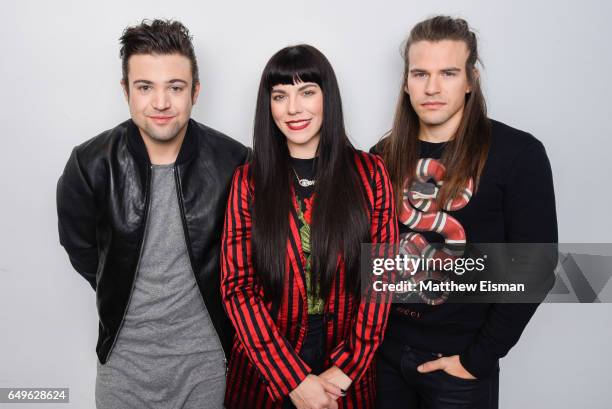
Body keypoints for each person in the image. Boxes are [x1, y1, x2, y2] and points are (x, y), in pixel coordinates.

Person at [56, 19, 249, 408]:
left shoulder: (235, 163)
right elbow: (80, 247)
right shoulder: (90, 163)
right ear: (126, 90)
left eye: (175, 87)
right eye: (145, 87)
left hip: (206, 364)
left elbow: (253, 258)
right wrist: (119, 277)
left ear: (195, 92)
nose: (161, 103)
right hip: (123, 366)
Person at [371, 16, 558, 409]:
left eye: (449, 73)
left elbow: (536, 265)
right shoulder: (381, 157)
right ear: (406, 82)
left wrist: (478, 359)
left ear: (471, 79)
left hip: (459, 368)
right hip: (384, 361)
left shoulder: (517, 154)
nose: (432, 87)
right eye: (420, 73)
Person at [221, 44, 398, 409]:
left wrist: (348, 368)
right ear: (268, 106)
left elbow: (381, 279)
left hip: (345, 362)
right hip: (266, 364)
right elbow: (237, 288)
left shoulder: (370, 174)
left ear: (326, 98)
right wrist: (292, 379)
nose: (293, 108)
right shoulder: (248, 181)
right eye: (280, 95)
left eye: (307, 92)